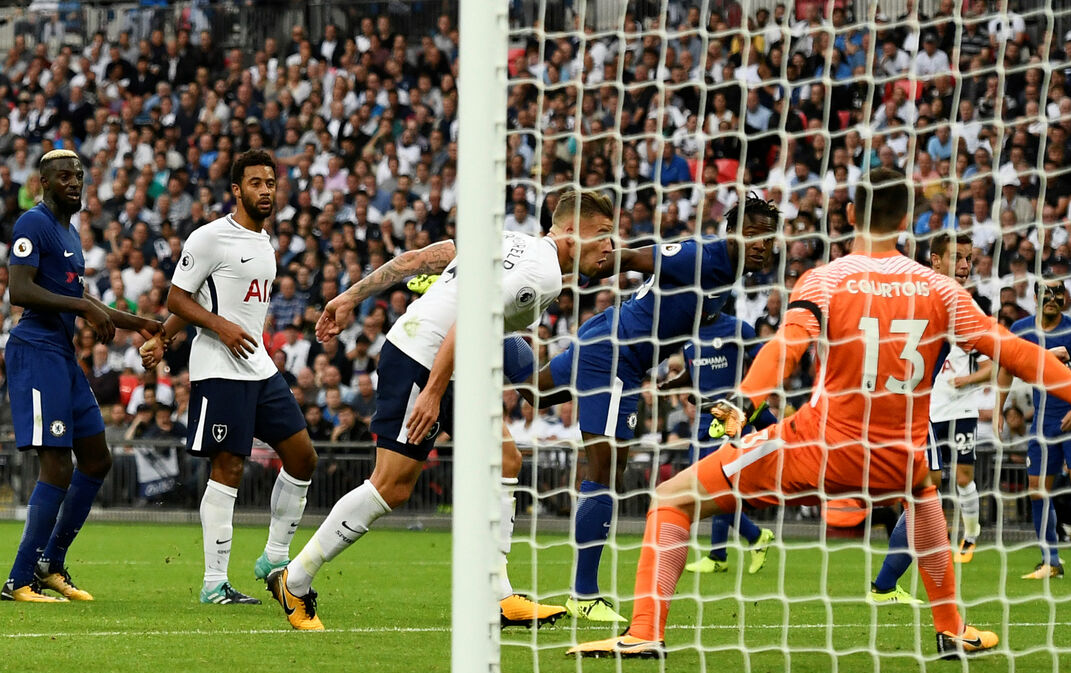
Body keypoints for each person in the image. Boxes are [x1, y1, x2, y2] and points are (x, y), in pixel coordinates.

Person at [567, 167, 1071, 659]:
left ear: (850, 215)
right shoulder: (941, 290)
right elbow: (1017, 353)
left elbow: (787, 347)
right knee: (924, 494)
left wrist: (746, 400)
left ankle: (644, 633)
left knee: (672, 499)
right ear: (906, 221)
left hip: (817, 447)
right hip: (897, 457)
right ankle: (952, 628)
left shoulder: (825, 280)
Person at [266, 190, 615, 630]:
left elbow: (419, 260)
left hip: (448, 364)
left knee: (505, 459)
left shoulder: (508, 239)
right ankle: (295, 580)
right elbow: (469, 318)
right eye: (602, 234)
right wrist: (431, 392)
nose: (610, 246)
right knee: (391, 486)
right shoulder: (542, 276)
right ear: (570, 231)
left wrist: (350, 296)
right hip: (421, 357)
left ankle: (499, 596)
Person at [534, 197, 780, 622]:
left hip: (608, 340)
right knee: (606, 472)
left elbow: (678, 318)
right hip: (616, 357)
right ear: (732, 233)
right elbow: (629, 257)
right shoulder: (700, 256)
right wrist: (571, 267)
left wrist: (682, 380)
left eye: (767, 238)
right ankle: (584, 594)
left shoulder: (727, 276)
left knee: (533, 392)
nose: (760, 245)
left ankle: (475, 355)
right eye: (751, 235)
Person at [144, 149, 318, 604]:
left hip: (259, 366)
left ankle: (273, 558)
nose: (265, 191)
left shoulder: (265, 243)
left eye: (270, 183)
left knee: (303, 458)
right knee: (229, 468)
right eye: (256, 183)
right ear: (237, 190)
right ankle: (214, 583)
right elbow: (178, 297)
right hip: (219, 370)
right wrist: (212, 328)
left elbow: (199, 300)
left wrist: (163, 337)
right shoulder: (209, 237)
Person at [2, 149, 162, 602]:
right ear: (44, 183)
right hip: (36, 352)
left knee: (96, 459)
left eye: (78, 176)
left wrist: (140, 323)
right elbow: (20, 290)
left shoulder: (70, 233)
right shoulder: (32, 223)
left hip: (62, 355)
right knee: (56, 465)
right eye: (64, 176)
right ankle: (19, 579)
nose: (74, 182)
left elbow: (83, 299)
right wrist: (84, 307)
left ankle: (50, 562)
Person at [869, 232, 991, 606]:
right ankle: (886, 586)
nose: (965, 266)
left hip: (889, 406)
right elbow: (1000, 347)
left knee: (925, 492)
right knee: (925, 495)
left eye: (969, 259)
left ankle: (887, 584)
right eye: (957, 257)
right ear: (935, 260)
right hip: (910, 411)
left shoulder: (909, 291)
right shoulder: (947, 300)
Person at [995, 277, 1071, 581]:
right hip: (1042, 424)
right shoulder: (1021, 330)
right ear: (1036, 298)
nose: (1051, 298)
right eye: (1046, 293)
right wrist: (998, 409)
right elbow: (1006, 369)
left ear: (1065, 298)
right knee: (1037, 490)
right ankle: (1051, 561)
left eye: (1058, 293)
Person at [656, 310, 777, 575]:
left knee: (713, 484)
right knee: (704, 488)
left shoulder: (737, 328)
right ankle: (748, 540)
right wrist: (671, 385)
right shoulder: (689, 333)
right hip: (703, 419)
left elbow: (764, 361)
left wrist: (746, 393)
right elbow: (693, 372)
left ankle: (725, 551)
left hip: (728, 415)